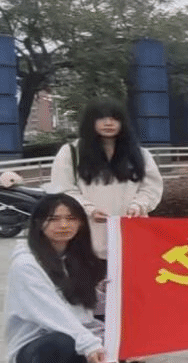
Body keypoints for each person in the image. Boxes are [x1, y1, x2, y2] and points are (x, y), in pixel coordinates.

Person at [4, 194, 130, 363]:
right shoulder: (26, 265)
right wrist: (90, 344)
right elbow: (51, 313)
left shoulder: (78, 258)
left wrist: (113, 301)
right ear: (38, 223)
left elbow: (88, 305)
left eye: (71, 218)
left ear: (81, 223)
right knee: (59, 343)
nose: (63, 225)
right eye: (54, 219)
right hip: (37, 344)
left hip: (78, 336)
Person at [49, 98, 164, 259]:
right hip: (87, 238)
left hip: (132, 236)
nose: (108, 123)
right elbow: (63, 189)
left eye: (114, 118)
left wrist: (138, 206)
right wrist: (89, 209)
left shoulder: (139, 154)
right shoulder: (71, 153)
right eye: (101, 118)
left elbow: (151, 187)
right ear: (91, 121)